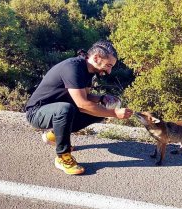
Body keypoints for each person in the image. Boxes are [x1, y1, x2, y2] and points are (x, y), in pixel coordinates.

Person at [25, 40, 133, 175]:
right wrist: (115, 113)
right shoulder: (73, 68)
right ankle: (63, 157)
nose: (109, 71)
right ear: (96, 58)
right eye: (108, 65)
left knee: (99, 111)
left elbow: (86, 96)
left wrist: (102, 98)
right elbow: (82, 104)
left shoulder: (88, 70)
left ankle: (53, 136)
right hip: (37, 112)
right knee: (66, 110)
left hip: (57, 110)